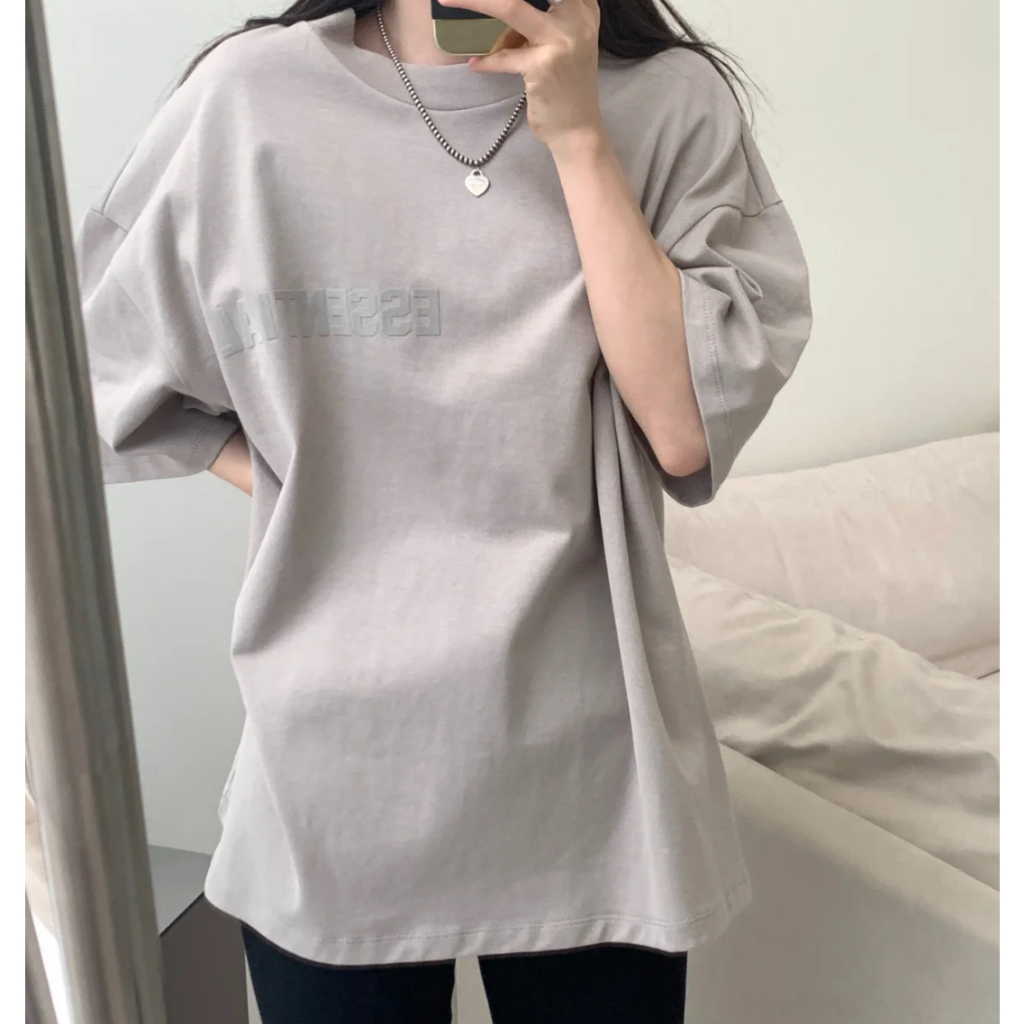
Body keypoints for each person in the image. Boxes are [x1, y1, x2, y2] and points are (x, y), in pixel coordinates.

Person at [75, 0, 812, 1019]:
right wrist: (307, 478)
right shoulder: (250, 99)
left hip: (595, 782)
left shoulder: (669, 102)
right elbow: (87, 375)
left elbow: (684, 428)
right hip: (334, 779)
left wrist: (579, 138)